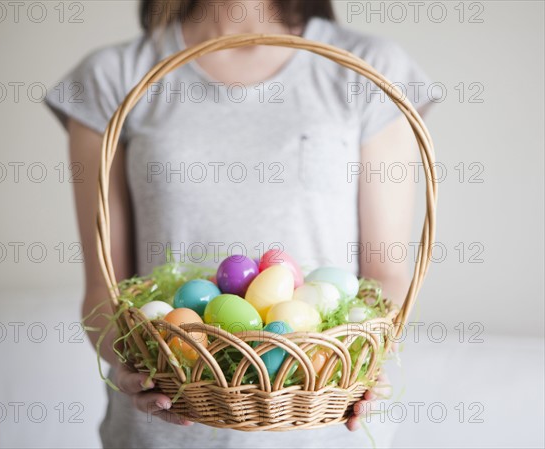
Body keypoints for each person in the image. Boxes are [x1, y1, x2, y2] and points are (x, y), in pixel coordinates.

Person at [45, 0, 435, 447]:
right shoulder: (113, 76)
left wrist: (363, 358)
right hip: (165, 426)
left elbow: (386, 275)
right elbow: (105, 291)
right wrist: (136, 361)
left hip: (320, 422)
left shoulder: (370, 69)